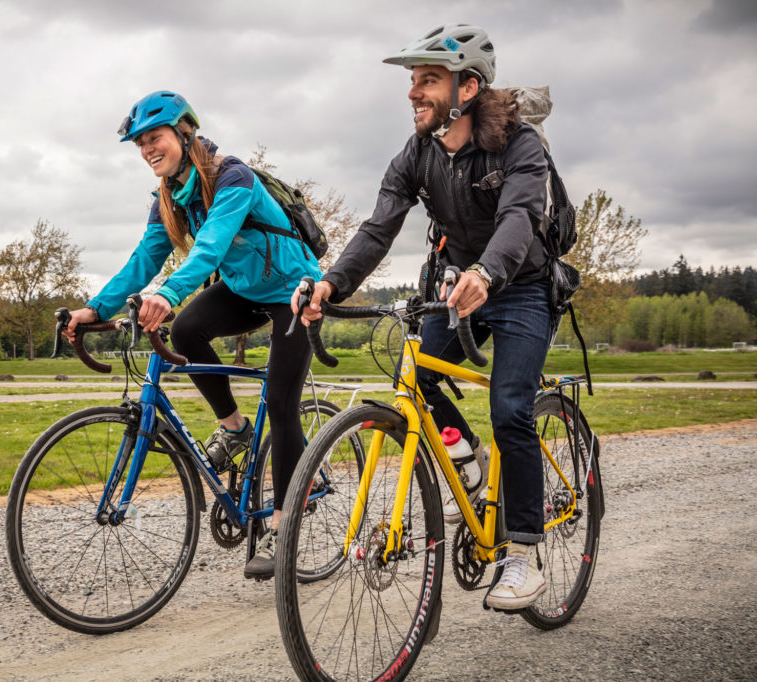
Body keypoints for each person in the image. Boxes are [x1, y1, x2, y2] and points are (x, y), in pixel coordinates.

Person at [296, 24, 554, 610]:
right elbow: (378, 227)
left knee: (510, 407)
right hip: (456, 288)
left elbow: (518, 218)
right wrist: (331, 283)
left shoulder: (519, 145)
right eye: (412, 82)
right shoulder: (416, 153)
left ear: (467, 88)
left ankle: (522, 555)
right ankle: (467, 458)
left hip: (521, 286)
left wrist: (486, 274)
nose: (413, 93)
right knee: (417, 375)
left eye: (428, 81)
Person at [65, 91, 322, 579]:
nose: (147, 150)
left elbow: (209, 247)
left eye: (154, 138)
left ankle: (283, 530)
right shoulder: (168, 194)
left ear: (185, 133)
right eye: (140, 143)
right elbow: (145, 257)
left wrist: (170, 291)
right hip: (245, 289)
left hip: (294, 291)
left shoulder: (233, 177)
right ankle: (236, 430)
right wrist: (95, 308)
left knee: (283, 402)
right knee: (186, 330)